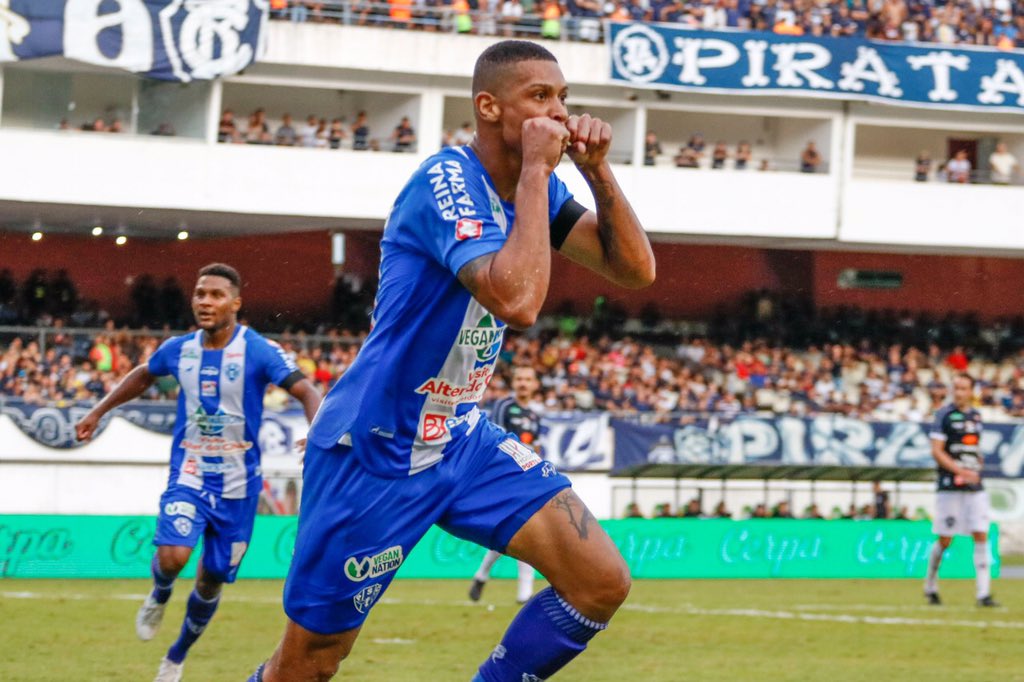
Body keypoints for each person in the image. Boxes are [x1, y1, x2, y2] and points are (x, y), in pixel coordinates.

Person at [248, 40, 655, 682]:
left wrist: (599, 172)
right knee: (310, 663)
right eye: (540, 97)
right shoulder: (446, 182)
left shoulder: (535, 193)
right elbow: (517, 301)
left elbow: (634, 270)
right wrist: (538, 174)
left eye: (564, 98)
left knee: (599, 580)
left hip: (460, 439)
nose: (559, 113)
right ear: (490, 107)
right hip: (378, 448)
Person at [75, 264, 322, 682]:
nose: (205, 302)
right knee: (173, 556)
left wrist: (316, 432)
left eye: (216, 295)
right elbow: (143, 374)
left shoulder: (257, 350)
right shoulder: (179, 349)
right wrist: (99, 411)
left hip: (239, 487)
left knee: (210, 582)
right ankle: (159, 592)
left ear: (236, 304)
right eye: (200, 294)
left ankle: (175, 656)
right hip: (189, 473)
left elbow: (307, 390)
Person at [469, 365, 545, 605]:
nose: (523, 382)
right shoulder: (504, 406)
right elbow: (495, 439)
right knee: (518, 531)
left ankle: (510, 588)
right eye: (519, 378)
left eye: (528, 379)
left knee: (521, 530)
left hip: (526, 479)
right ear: (514, 383)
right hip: (504, 477)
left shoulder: (534, 416)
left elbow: (537, 447)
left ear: (535, 385)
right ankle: (518, 591)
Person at [923, 373, 998, 607]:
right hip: (949, 486)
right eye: (956, 388)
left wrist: (977, 463)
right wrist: (960, 471)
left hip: (974, 485)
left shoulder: (976, 416)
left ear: (972, 391)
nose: (959, 392)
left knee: (981, 533)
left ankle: (983, 594)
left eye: (964, 388)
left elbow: (973, 448)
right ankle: (930, 585)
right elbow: (937, 451)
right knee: (945, 539)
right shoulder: (943, 415)